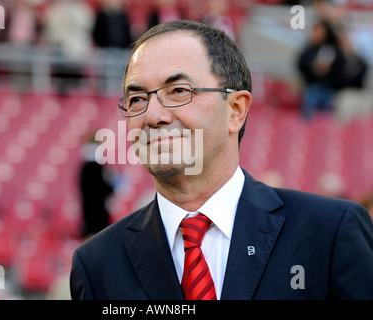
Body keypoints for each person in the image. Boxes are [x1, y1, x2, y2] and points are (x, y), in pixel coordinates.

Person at [70, 20, 373, 300]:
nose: (153, 116)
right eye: (137, 98)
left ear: (236, 110)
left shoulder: (330, 233)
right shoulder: (97, 264)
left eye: (178, 91)